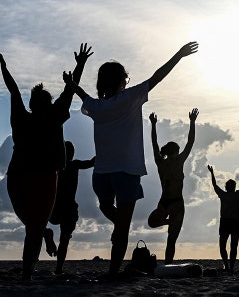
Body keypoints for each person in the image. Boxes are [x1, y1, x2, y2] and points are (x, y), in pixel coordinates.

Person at [62, 41, 198, 276]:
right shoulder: (130, 98)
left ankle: (117, 233)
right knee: (123, 228)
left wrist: (75, 77)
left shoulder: (96, 106)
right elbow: (157, 77)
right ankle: (113, 271)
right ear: (120, 81)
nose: (127, 81)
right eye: (125, 78)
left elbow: (81, 93)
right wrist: (178, 55)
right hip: (126, 172)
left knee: (105, 205)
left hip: (102, 173)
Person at [0, 43, 92, 280]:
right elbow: (69, 90)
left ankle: (29, 272)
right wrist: (80, 64)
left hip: (21, 177)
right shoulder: (53, 114)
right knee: (35, 229)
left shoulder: (23, 117)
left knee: (33, 226)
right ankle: (28, 273)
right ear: (47, 104)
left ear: (32, 105)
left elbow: (13, 90)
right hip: (41, 177)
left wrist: (4, 67)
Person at [147, 108, 198, 264]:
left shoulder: (175, 161)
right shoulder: (163, 162)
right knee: (152, 222)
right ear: (174, 152)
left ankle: (168, 264)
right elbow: (155, 144)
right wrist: (153, 125)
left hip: (176, 202)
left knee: (171, 239)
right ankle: (170, 223)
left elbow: (190, 142)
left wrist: (192, 122)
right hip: (164, 202)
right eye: (177, 151)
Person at [43, 141, 95, 274]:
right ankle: (59, 269)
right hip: (67, 208)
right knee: (64, 240)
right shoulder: (73, 164)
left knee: (43, 228)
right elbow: (91, 162)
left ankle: (46, 233)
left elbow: (91, 162)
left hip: (56, 208)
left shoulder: (54, 166)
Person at [208, 164, 239, 272]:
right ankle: (230, 267)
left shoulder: (223, 194)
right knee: (233, 246)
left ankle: (227, 265)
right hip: (234, 222)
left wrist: (212, 173)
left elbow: (214, 184)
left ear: (226, 187)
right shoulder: (238, 194)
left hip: (226, 221)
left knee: (223, 246)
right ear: (234, 187)